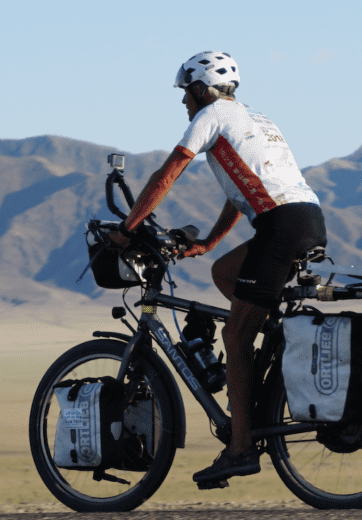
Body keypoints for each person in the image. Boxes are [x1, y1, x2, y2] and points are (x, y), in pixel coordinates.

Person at [108, 51, 327, 484]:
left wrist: (128, 228)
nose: (183, 103)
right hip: (306, 220)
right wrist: (208, 242)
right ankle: (264, 366)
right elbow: (237, 194)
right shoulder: (253, 119)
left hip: (280, 227)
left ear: (200, 89)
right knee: (224, 273)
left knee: (235, 334)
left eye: (186, 94)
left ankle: (241, 448)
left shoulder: (212, 115)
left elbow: (167, 174)